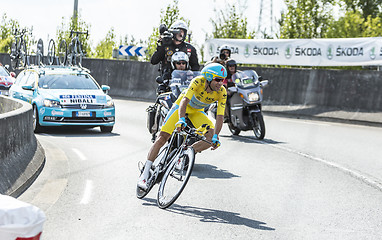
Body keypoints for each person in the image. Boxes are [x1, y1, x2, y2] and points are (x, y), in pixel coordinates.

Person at [137, 63, 228, 190]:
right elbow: (184, 101)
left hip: (197, 112)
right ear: (208, 77)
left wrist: (216, 136)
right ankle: (145, 173)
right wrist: (181, 119)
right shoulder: (198, 82)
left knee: (209, 138)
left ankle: (185, 154)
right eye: (217, 79)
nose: (220, 83)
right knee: (162, 138)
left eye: (222, 80)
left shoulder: (222, 92)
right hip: (181, 107)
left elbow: (220, 116)